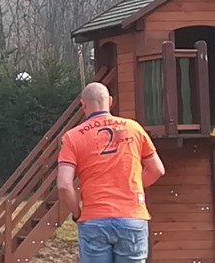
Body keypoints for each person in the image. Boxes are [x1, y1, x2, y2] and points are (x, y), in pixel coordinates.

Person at [56, 82, 166, 263]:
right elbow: (157, 170)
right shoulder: (134, 128)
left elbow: (64, 184)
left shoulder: (72, 137)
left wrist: (78, 214)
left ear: (83, 104)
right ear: (111, 101)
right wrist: (133, 187)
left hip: (94, 219)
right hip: (132, 216)